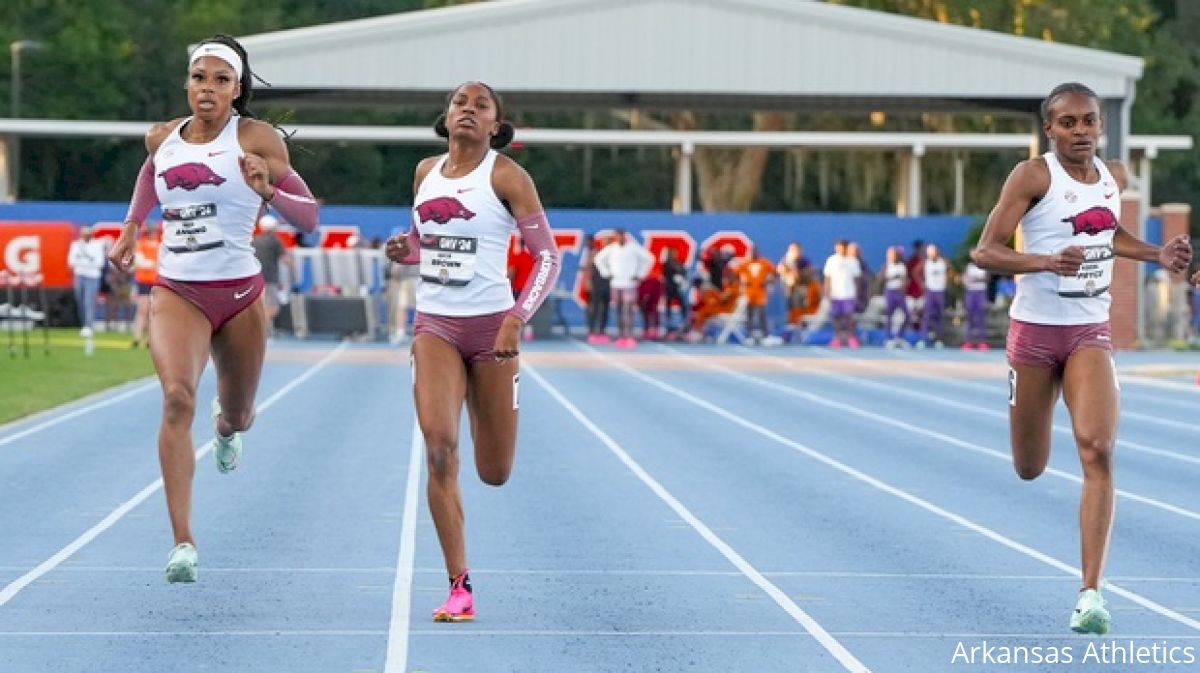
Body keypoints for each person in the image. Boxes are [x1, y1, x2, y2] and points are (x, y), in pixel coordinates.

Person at [971, 81, 1191, 635]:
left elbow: (1109, 232)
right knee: (1030, 467)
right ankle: (1023, 404)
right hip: (1034, 336)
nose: (1081, 132)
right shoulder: (1033, 176)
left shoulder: (1114, 177)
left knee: (1099, 449)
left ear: (1101, 126)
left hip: (1089, 331)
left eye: (1089, 121)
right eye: (1068, 123)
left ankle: (1091, 593)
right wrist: (1046, 261)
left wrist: (1157, 254)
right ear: (1050, 129)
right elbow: (985, 250)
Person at [107, 34, 319, 583]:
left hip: (241, 294)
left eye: (221, 80)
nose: (208, 88)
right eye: (200, 77)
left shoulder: (257, 138)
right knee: (177, 397)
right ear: (188, 82)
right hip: (177, 290)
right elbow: (150, 174)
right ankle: (183, 541)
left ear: (236, 89)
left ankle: (226, 429)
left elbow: (310, 218)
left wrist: (268, 190)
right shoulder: (162, 136)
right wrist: (132, 226)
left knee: (240, 412)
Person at [383, 81, 560, 622]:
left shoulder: (506, 176)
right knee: (439, 449)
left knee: (494, 470)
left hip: (492, 331)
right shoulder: (423, 172)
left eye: (481, 106)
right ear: (446, 116)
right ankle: (459, 586)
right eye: (460, 102)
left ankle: (496, 414)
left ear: (495, 126)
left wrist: (515, 319)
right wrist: (404, 249)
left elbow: (547, 258)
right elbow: (424, 239)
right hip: (435, 325)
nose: (468, 109)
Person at [593, 228, 652, 348]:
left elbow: (649, 259)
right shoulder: (612, 248)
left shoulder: (633, 248)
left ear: (625, 236)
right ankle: (621, 335)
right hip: (616, 283)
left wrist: (639, 274)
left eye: (621, 235)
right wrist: (606, 272)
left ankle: (629, 335)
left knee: (629, 310)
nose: (619, 238)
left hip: (629, 283)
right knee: (619, 310)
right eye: (617, 236)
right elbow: (598, 259)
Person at [251, 214, 294, 335]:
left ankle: (262, 329)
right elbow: (285, 258)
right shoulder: (275, 242)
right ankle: (265, 329)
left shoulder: (256, 241)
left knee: (260, 304)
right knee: (273, 306)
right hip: (269, 278)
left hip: (255, 279)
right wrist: (294, 268)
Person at [67, 225, 107, 337]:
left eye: (88, 233)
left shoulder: (97, 245)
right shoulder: (76, 245)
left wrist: (82, 262)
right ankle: (84, 324)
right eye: (84, 233)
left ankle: (89, 326)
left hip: (93, 277)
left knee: (88, 301)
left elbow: (99, 263)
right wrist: (87, 263)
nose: (86, 235)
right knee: (80, 301)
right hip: (79, 276)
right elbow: (71, 262)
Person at [823, 239, 861, 348]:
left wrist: (857, 294)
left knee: (849, 317)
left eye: (844, 247)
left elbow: (857, 280)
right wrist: (827, 292)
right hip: (835, 294)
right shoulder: (831, 260)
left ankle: (849, 337)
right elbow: (828, 278)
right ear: (836, 248)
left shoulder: (853, 261)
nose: (842, 249)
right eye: (839, 247)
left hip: (849, 294)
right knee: (836, 317)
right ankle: (838, 337)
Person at [130, 223, 160, 348]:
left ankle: (149, 339)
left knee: (151, 311)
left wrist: (152, 264)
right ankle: (137, 338)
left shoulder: (159, 245)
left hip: (156, 282)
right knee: (143, 310)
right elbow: (140, 262)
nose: (152, 233)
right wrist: (153, 264)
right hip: (144, 281)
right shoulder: (140, 244)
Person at [737, 245, 774, 343]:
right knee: (749, 315)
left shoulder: (764, 263)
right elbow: (736, 274)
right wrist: (742, 282)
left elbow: (774, 273)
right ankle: (748, 335)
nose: (754, 253)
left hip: (760, 293)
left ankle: (765, 335)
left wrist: (768, 281)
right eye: (752, 251)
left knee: (762, 314)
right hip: (748, 293)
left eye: (755, 251)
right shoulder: (745, 263)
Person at [877, 246, 910, 348]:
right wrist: (887, 276)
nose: (893, 256)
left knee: (907, 315)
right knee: (889, 316)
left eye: (895, 254)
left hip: (899, 293)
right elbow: (879, 280)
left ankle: (900, 337)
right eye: (890, 254)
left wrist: (903, 288)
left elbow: (905, 280)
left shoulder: (902, 266)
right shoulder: (886, 266)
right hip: (890, 292)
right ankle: (889, 338)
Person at [919, 243, 949, 348]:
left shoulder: (943, 262)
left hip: (940, 291)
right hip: (930, 291)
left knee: (939, 316)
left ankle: (939, 339)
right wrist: (922, 283)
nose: (931, 255)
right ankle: (923, 339)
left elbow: (951, 272)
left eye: (933, 252)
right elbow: (916, 272)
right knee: (927, 316)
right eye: (929, 253)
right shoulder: (925, 263)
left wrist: (947, 280)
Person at [961, 260, 990, 350]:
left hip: (981, 292)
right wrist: (971, 279)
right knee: (969, 318)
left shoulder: (984, 266)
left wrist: (974, 279)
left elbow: (987, 278)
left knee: (981, 318)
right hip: (971, 292)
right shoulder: (969, 266)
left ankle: (982, 342)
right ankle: (968, 341)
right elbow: (964, 279)